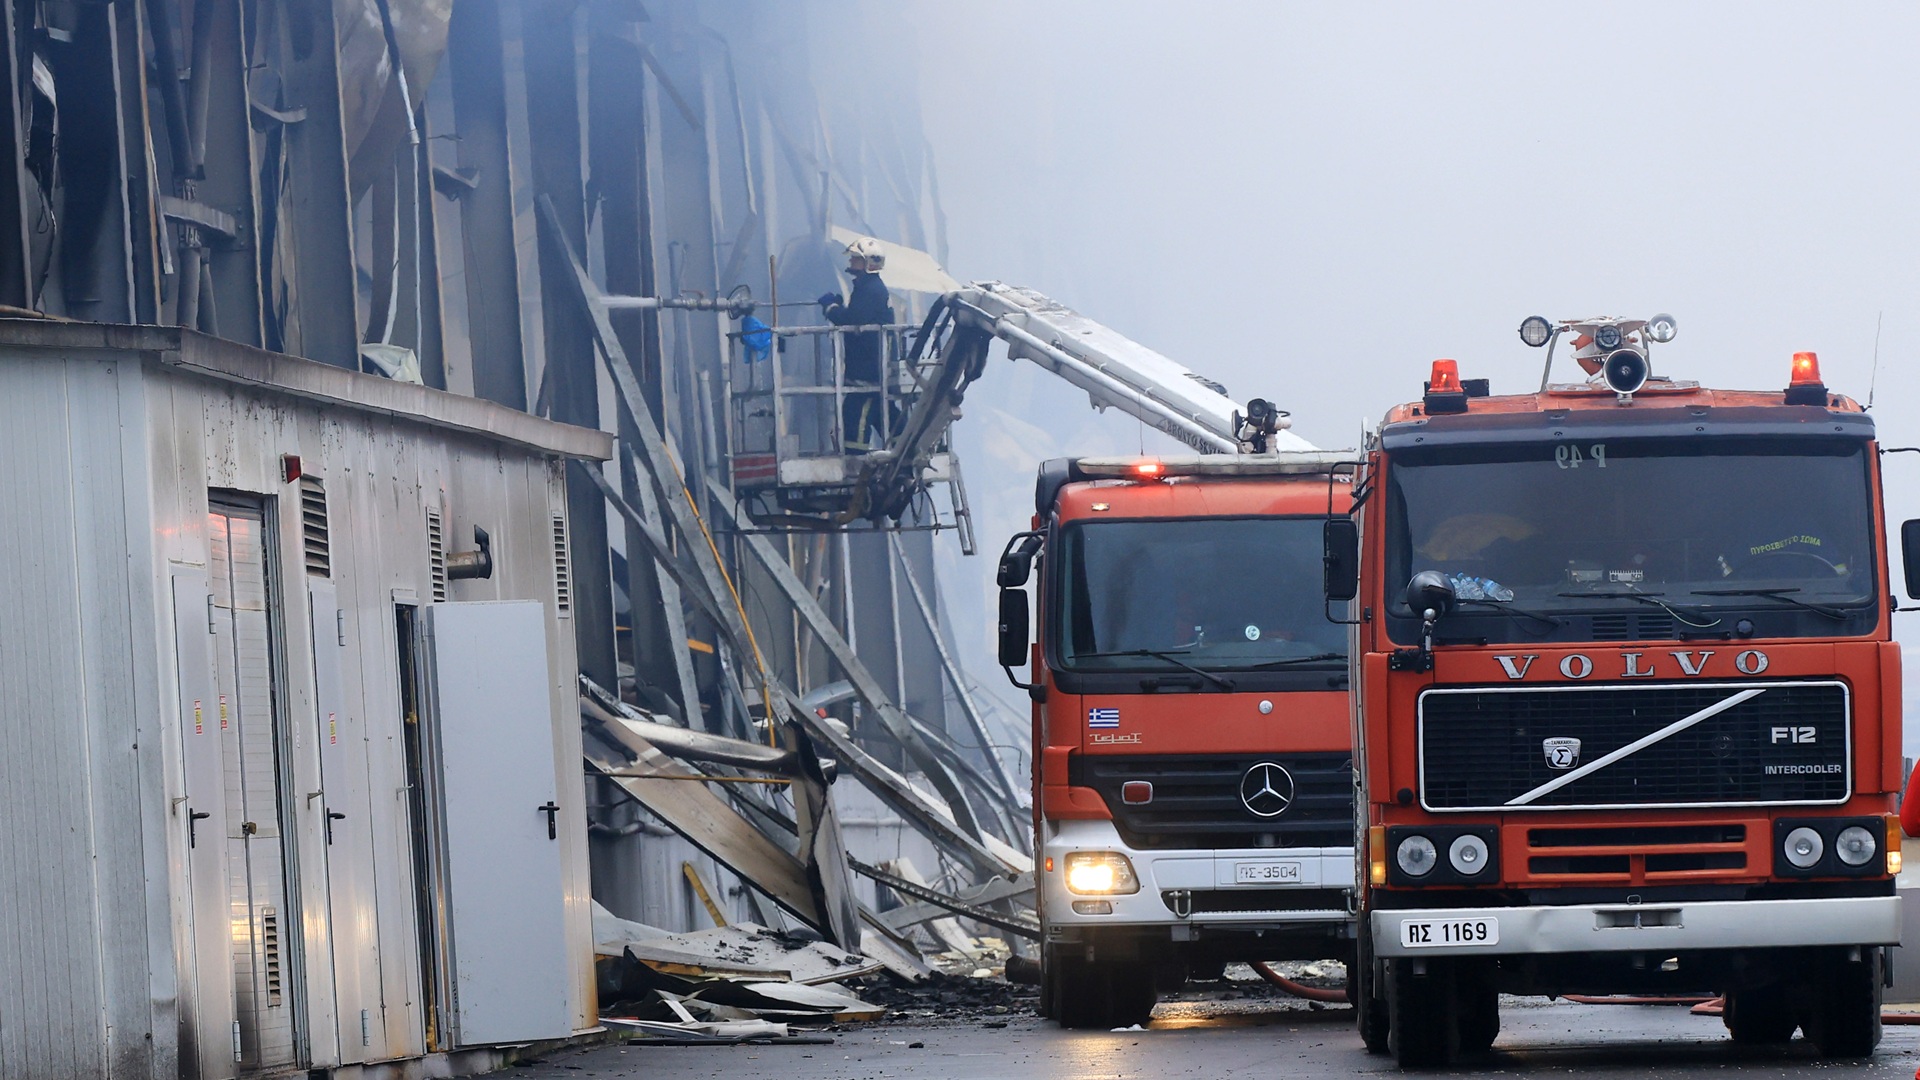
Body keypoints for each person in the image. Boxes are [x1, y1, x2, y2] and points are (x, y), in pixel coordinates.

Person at [818, 237, 895, 453]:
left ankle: (855, 459)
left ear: (868, 263)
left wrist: (831, 308)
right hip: (868, 370)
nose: (851, 261)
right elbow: (857, 316)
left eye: (856, 258)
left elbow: (852, 320)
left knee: (856, 417)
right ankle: (906, 445)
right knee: (886, 415)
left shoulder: (871, 289)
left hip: (867, 372)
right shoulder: (868, 288)